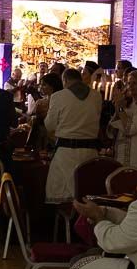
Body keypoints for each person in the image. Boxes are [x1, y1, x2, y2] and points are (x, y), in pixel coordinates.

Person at [44, 68, 103, 203]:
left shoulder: (58, 96)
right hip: (90, 153)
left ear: (65, 80)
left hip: (66, 153)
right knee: (87, 193)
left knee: (64, 197)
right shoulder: (97, 96)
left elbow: (50, 125)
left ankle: (65, 222)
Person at [108, 69, 137, 170]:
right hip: (121, 153)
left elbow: (130, 130)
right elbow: (111, 131)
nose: (130, 86)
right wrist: (118, 107)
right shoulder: (128, 103)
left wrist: (120, 108)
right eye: (129, 83)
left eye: (134, 83)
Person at [26, 73, 63, 152]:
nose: (41, 87)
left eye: (44, 85)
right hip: (42, 136)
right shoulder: (41, 102)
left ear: (52, 86)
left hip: (55, 136)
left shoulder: (59, 102)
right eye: (41, 85)